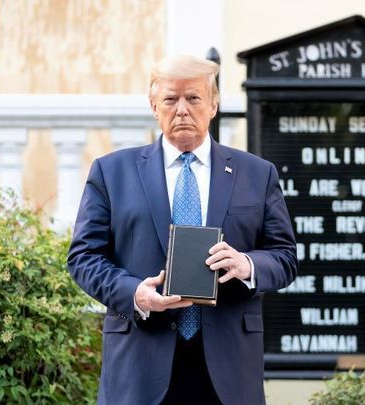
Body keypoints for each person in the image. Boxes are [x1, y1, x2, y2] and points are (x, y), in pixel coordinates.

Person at [67, 54, 297, 405]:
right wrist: (133, 294)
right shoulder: (112, 173)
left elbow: (284, 257)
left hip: (228, 369)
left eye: (193, 98)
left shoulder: (257, 174)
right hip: (140, 362)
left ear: (214, 105)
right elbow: (83, 257)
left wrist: (247, 265)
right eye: (171, 99)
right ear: (153, 105)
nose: (182, 109)